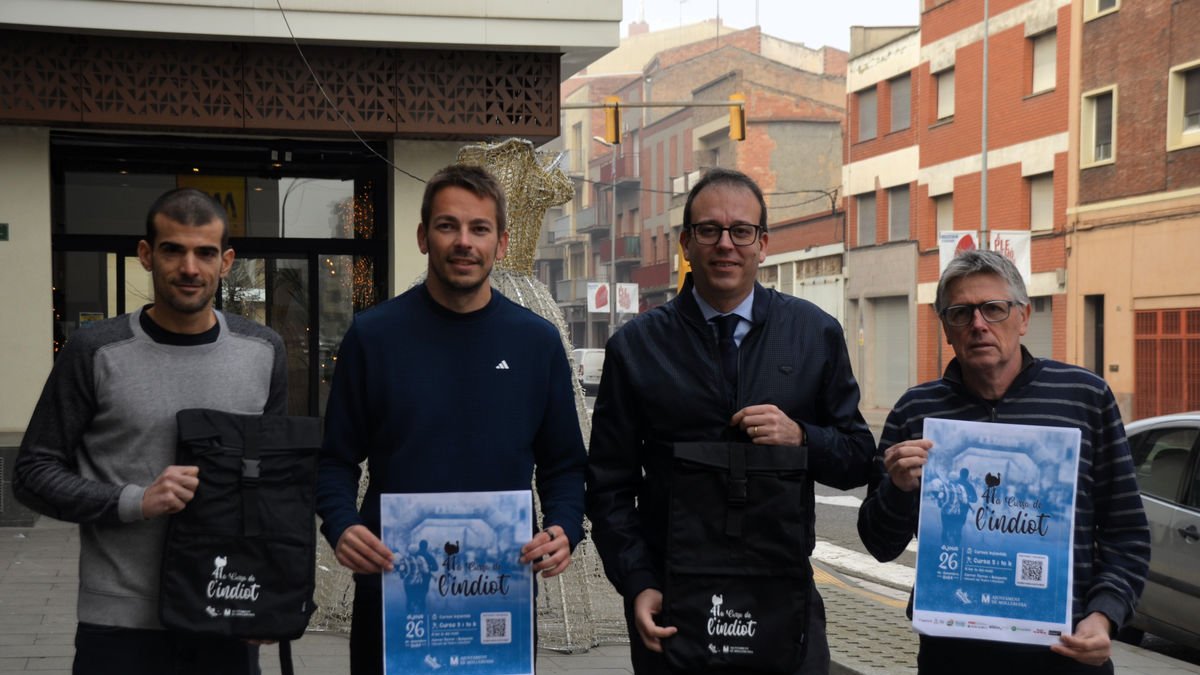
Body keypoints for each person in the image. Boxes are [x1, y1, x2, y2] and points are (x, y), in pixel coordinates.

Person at [586, 168, 876, 674]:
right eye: (709, 230)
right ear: (685, 243)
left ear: (762, 244)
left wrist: (801, 437)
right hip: (674, 602)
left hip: (783, 597)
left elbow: (857, 458)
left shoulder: (814, 335)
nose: (726, 244)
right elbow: (609, 486)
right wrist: (637, 582)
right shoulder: (636, 348)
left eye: (741, 231)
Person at [316, 164, 587, 675]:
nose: (464, 242)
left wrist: (564, 527)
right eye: (448, 226)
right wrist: (342, 524)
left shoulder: (535, 342)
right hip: (394, 592)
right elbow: (335, 460)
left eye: (479, 229)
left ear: (501, 243)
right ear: (423, 237)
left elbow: (565, 465)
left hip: (499, 595)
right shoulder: (373, 338)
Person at [15, 188, 287, 675]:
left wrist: (267, 594)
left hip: (224, 612)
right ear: (146, 255)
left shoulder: (263, 351)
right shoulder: (95, 350)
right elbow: (32, 472)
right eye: (173, 250)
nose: (189, 268)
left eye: (205, 253)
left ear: (226, 262)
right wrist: (135, 501)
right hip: (118, 624)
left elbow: (272, 488)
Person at [856, 249, 1150, 674]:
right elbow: (879, 545)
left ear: (1024, 317)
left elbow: (1128, 534)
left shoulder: (1085, 398)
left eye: (993, 308)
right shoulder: (915, 411)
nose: (978, 324)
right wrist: (896, 490)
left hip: (1064, 654)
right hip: (953, 655)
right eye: (961, 313)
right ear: (946, 329)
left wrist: (1103, 615)